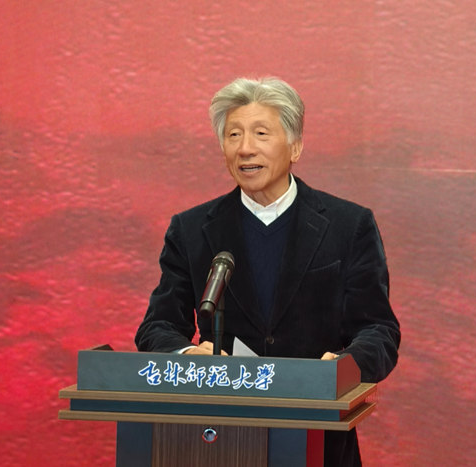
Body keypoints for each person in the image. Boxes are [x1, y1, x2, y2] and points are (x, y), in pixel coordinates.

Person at [135, 77, 401, 466]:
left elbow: (379, 330)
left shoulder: (348, 225)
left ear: (295, 146)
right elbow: (157, 327)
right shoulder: (191, 230)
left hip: (319, 439)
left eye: (261, 133)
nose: (245, 148)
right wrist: (189, 355)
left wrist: (344, 367)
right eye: (233, 135)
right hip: (218, 439)